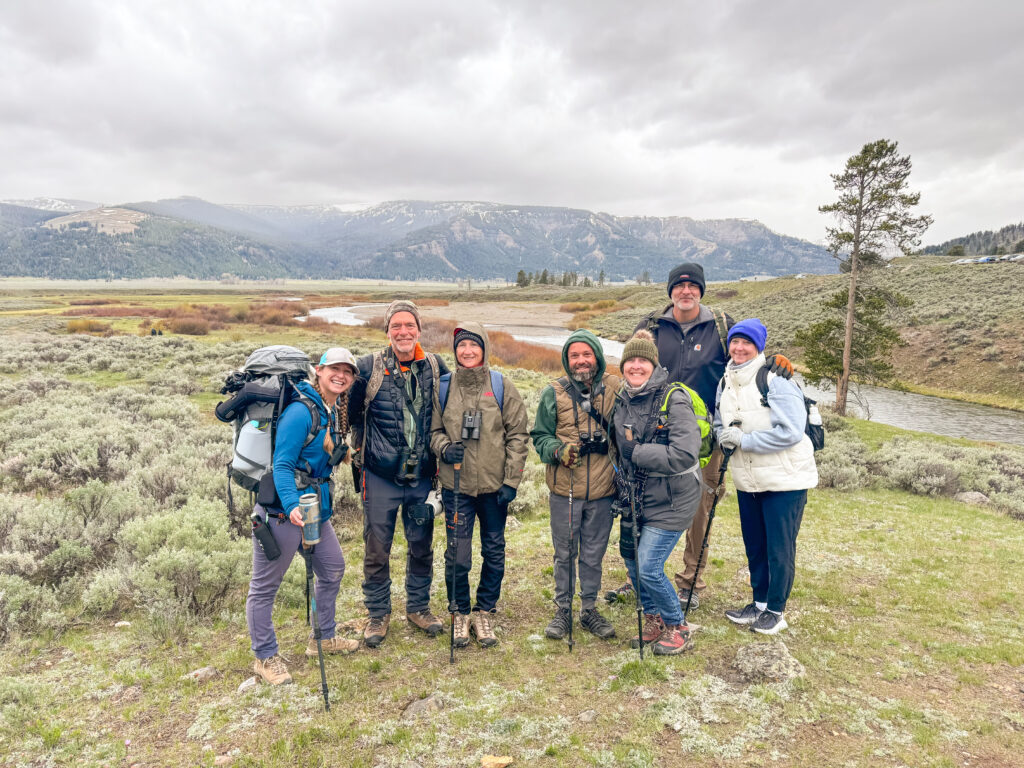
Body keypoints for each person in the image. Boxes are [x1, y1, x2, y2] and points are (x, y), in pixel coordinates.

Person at [632, 262, 792, 610]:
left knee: (700, 508)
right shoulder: (651, 326)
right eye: (679, 286)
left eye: (692, 286)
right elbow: (633, 365)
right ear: (670, 290)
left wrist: (777, 360)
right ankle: (645, 575)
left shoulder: (721, 325)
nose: (685, 292)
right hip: (655, 432)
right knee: (645, 503)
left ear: (701, 290)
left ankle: (690, 581)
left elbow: (748, 354)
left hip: (707, 438)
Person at [246, 347, 360, 685]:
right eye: (334, 369)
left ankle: (322, 637)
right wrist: (292, 505)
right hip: (282, 514)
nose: (341, 375)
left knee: (333, 568)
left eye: (348, 371)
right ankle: (265, 658)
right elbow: (281, 464)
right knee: (265, 588)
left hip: (314, 512)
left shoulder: (330, 410)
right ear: (319, 370)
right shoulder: (301, 411)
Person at [350, 300, 450, 648]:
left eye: (409, 326)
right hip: (378, 476)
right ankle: (378, 614)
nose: (403, 332)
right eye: (396, 326)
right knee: (377, 548)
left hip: (422, 476)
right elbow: (348, 415)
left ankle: (418, 607)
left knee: (421, 545)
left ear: (419, 330)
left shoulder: (435, 366)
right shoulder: (369, 367)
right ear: (388, 331)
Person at [714, 319, 818, 635]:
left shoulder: (775, 379)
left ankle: (776, 611)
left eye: (747, 342)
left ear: (759, 346)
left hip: (785, 479)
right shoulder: (725, 381)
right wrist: (723, 436)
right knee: (755, 544)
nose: (739, 348)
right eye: (735, 342)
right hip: (749, 479)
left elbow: (791, 432)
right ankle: (758, 604)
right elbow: (721, 422)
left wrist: (743, 440)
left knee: (779, 547)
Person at [430, 323, 529, 648]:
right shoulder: (443, 387)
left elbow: (517, 435)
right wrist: (445, 447)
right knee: (457, 554)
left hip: (494, 489)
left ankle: (484, 610)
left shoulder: (501, 386)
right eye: (461, 346)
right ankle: (459, 612)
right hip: (455, 486)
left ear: (483, 348)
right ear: (455, 350)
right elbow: (432, 433)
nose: (467, 351)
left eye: (473, 345)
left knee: (494, 551)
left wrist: (510, 481)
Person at [612, 330, 703, 654]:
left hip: (674, 497)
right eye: (630, 361)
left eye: (643, 361)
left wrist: (638, 453)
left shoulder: (673, 398)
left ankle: (677, 625)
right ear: (623, 366)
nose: (636, 366)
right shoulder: (622, 397)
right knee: (633, 562)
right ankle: (654, 619)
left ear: (653, 365)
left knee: (649, 565)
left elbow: (685, 453)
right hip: (638, 496)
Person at [531, 329, 621, 642]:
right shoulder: (552, 392)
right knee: (565, 553)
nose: (581, 361)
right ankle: (562, 611)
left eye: (586, 354)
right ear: (567, 360)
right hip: (564, 490)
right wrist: (557, 451)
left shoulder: (616, 388)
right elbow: (539, 436)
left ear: (597, 355)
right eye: (574, 355)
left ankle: (589, 609)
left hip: (603, 491)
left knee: (593, 554)